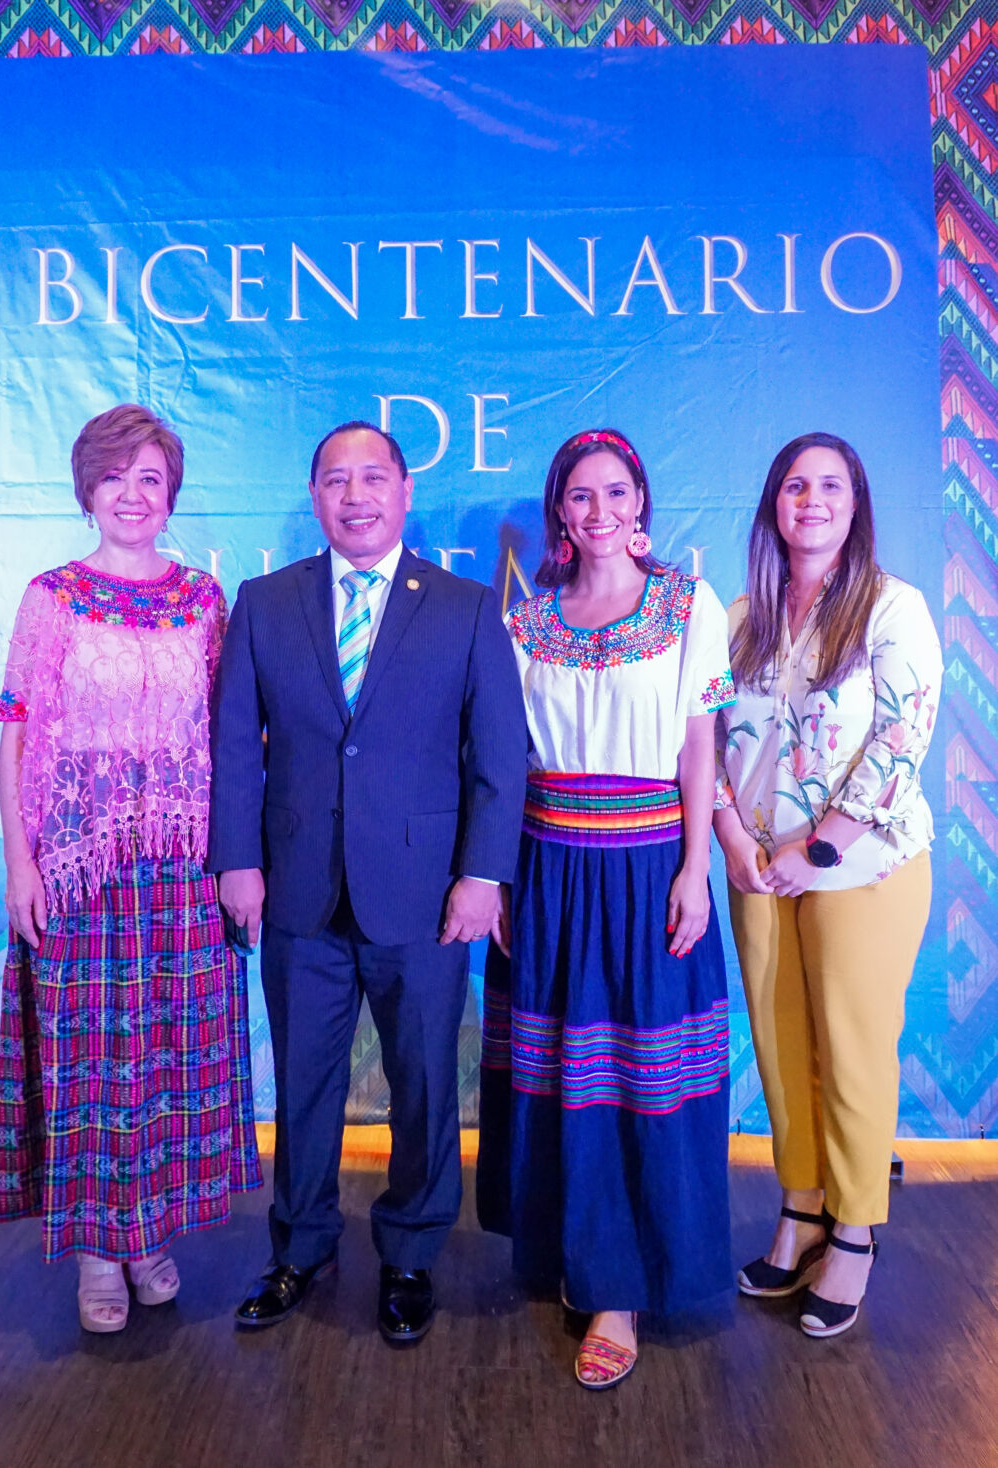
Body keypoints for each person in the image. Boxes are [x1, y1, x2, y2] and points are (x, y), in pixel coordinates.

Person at [209, 420, 526, 1344]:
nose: (356, 495)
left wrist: (483, 876)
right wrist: (236, 858)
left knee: (424, 1082)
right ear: (315, 497)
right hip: (296, 894)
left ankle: (413, 1253)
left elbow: (498, 758)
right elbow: (235, 743)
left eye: (373, 478)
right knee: (303, 1085)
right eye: (336, 480)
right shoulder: (266, 602)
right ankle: (299, 1246)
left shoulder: (465, 607)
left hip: (425, 897)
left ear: (403, 492)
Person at [0, 404, 261, 1333]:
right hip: (79, 867)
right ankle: (98, 1253)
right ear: (87, 491)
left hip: (183, 866)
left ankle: (152, 1236)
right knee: (92, 1058)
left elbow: (230, 737)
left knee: (173, 1056)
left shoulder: (201, 599)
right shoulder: (52, 595)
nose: (134, 497)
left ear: (172, 494)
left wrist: (239, 859)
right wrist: (23, 864)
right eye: (116, 479)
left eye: (152, 480)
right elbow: (17, 733)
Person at [476, 428, 735, 1390]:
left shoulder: (684, 604)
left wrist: (693, 865)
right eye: (578, 498)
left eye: (614, 493)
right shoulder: (529, 621)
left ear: (641, 502)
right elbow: (506, 767)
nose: (598, 512)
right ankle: (578, 1263)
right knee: (562, 1080)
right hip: (550, 867)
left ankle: (623, 1290)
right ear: (559, 514)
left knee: (639, 1078)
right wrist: (499, 876)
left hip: (643, 866)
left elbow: (699, 745)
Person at [714, 431, 941, 1339]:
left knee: (849, 1049)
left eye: (831, 485)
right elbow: (707, 742)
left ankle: (854, 1227)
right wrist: (733, 835)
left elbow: (899, 740)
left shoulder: (893, 607)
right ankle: (801, 1206)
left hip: (860, 866)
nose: (811, 499)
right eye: (795, 485)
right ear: (774, 502)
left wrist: (822, 845)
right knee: (778, 1044)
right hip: (759, 866)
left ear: (858, 503)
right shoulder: (741, 617)